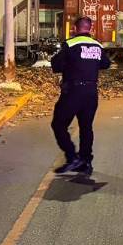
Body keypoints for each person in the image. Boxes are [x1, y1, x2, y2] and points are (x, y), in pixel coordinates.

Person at [50, 16, 111, 175]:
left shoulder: (70, 44)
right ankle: (86, 161)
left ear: (75, 29)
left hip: (73, 92)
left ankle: (72, 157)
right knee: (86, 128)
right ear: (90, 28)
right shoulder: (97, 45)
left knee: (58, 124)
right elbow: (105, 64)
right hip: (91, 93)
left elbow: (56, 65)